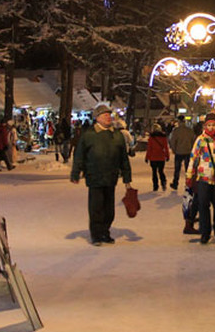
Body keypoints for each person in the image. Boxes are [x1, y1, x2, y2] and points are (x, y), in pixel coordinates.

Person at [71, 104, 133, 246]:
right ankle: (96, 234)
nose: (108, 117)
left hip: (111, 176)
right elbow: (79, 155)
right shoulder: (89, 135)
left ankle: (105, 231)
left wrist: (127, 177)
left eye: (109, 115)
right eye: (105, 115)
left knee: (109, 209)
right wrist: (76, 172)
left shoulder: (117, 135)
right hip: (94, 176)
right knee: (96, 207)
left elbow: (123, 157)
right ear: (97, 118)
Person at [186, 113, 215, 244]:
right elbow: (193, 158)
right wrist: (189, 175)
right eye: (209, 125)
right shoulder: (200, 140)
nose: (211, 128)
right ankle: (205, 232)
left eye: (214, 125)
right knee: (203, 206)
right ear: (205, 126)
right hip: (203, 177)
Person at [168, 116, 196, 189]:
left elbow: (172, 141)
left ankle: (175, 183)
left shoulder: (176, 131)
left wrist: (174, 149)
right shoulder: (189, 130)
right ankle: (189, 183)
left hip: (179, 152)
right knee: (188, 169)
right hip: (188, 151)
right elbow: (193, 141)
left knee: (177, 169)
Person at [145, 123, 171, 191]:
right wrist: (167, 156)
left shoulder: (151, 138)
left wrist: (147, 157)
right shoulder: (163, 137)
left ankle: (155, 186)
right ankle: (163, 182)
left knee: (154, 172)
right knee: (161, 171)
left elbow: (149, 149)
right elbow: (166, 148)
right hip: (161, 157)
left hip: (153, 157)